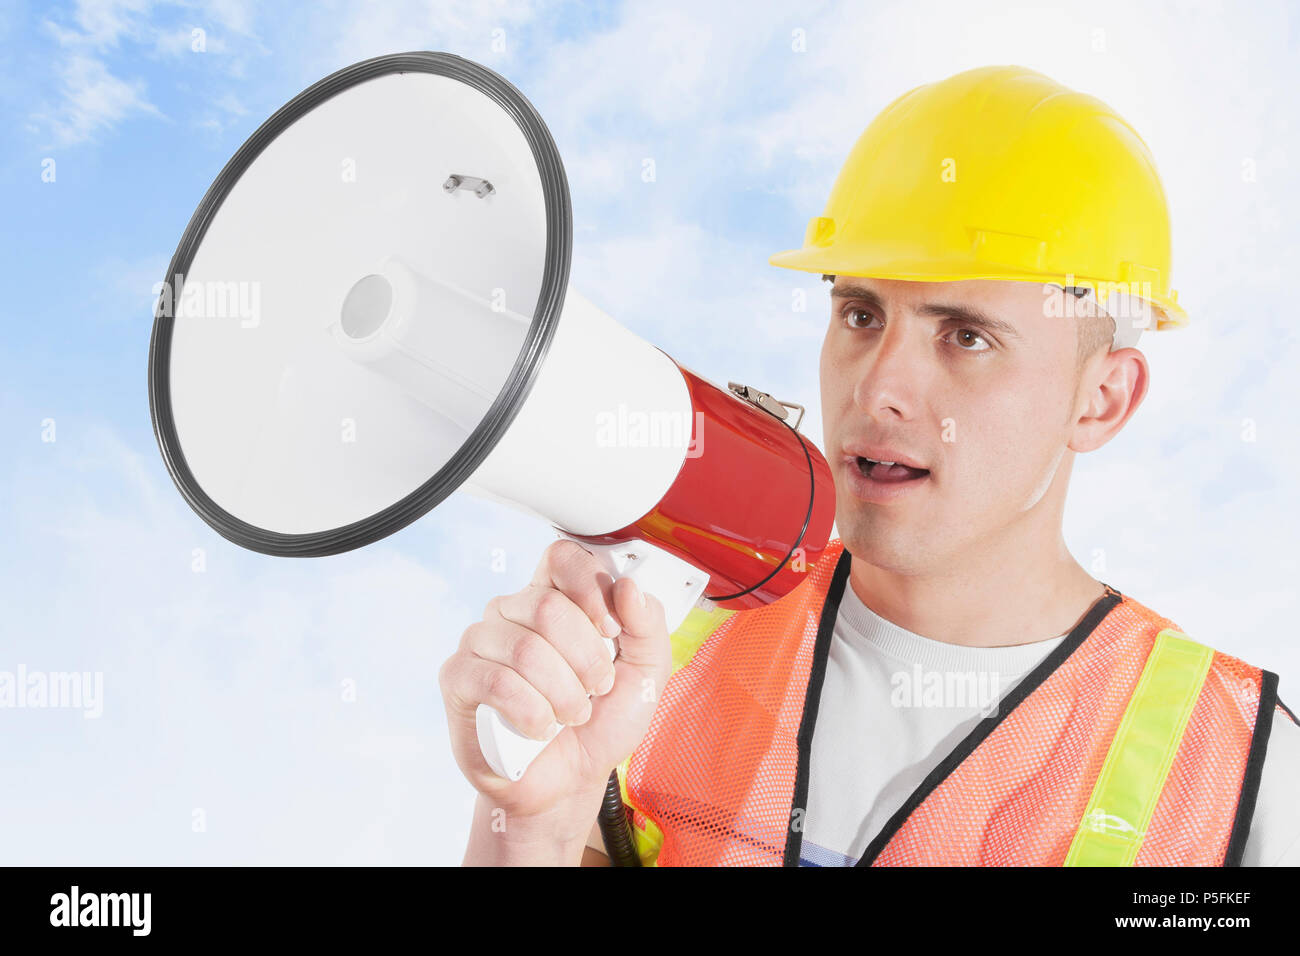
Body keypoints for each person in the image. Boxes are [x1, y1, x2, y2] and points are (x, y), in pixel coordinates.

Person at [439, 65, 1300, 866]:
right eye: (859, 314)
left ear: (1102, 398)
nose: (881, 387)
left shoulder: (1237, 774)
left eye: (966, 336)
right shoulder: (655, 651)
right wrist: (535, 826)